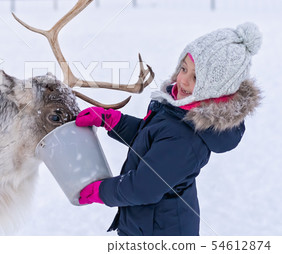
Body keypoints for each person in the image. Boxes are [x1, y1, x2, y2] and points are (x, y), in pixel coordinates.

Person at [75, 22, 262, 236]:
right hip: (146, 224)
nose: (182, 80)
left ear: (216, 91)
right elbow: (153, 142)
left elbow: (143, 187)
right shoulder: (179, 109)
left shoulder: (187, 139)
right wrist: (115, 122)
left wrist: (101, 191)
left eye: (196, 78)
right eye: (184, 69)